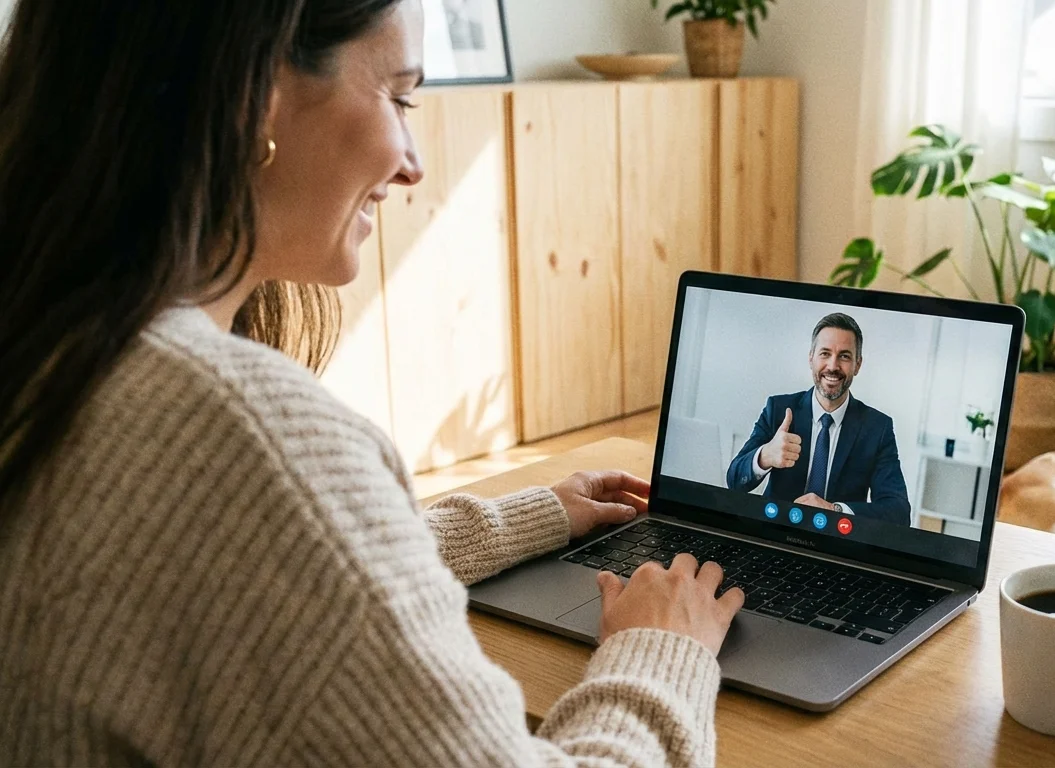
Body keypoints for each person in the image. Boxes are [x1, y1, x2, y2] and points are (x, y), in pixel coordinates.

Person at [0, 0, 743, 764]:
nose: (413, 163)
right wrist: (664, 647)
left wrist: (524, 519)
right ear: (255, 95)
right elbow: (283, 523)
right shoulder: (246, 435)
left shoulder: (55, 350)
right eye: (399, 97)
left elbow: (270, 564)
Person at [726, 313, 911, 526]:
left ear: (857, 365)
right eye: (825, 353)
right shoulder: (778, 409)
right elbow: (734, 480)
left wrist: (835, 510)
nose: (833, 366)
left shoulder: (878, 428)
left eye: (844, 356)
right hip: (774, 532)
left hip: (836, 540)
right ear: (811, 358)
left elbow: (898, 512)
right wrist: (765, 455)